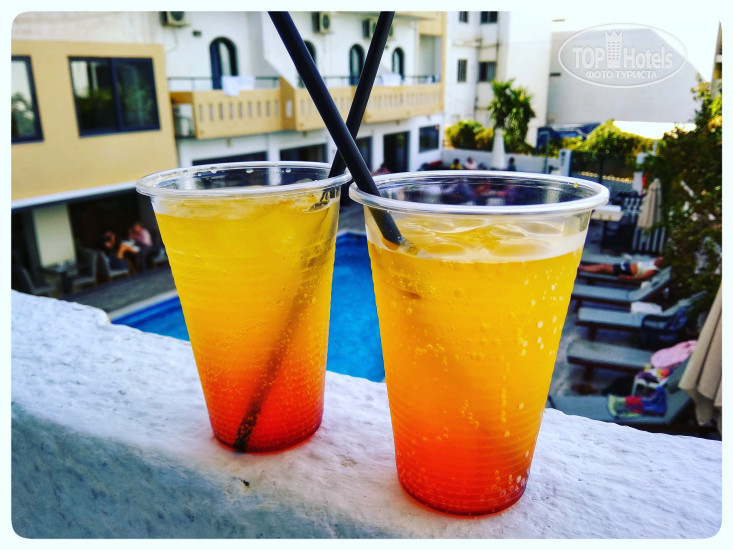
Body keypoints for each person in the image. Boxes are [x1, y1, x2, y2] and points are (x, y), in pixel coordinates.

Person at [577, 257, 663, 281]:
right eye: (658, 258)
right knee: (604, 266)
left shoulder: (653, 270)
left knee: (603, 267)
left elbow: (640, 278)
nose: (657, 259)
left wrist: (626, 277)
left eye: (659, 260)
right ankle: (582, 267)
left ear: (661, 264)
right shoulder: (653, 263)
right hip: (626, 266)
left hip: (626, 271)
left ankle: (581, 268)